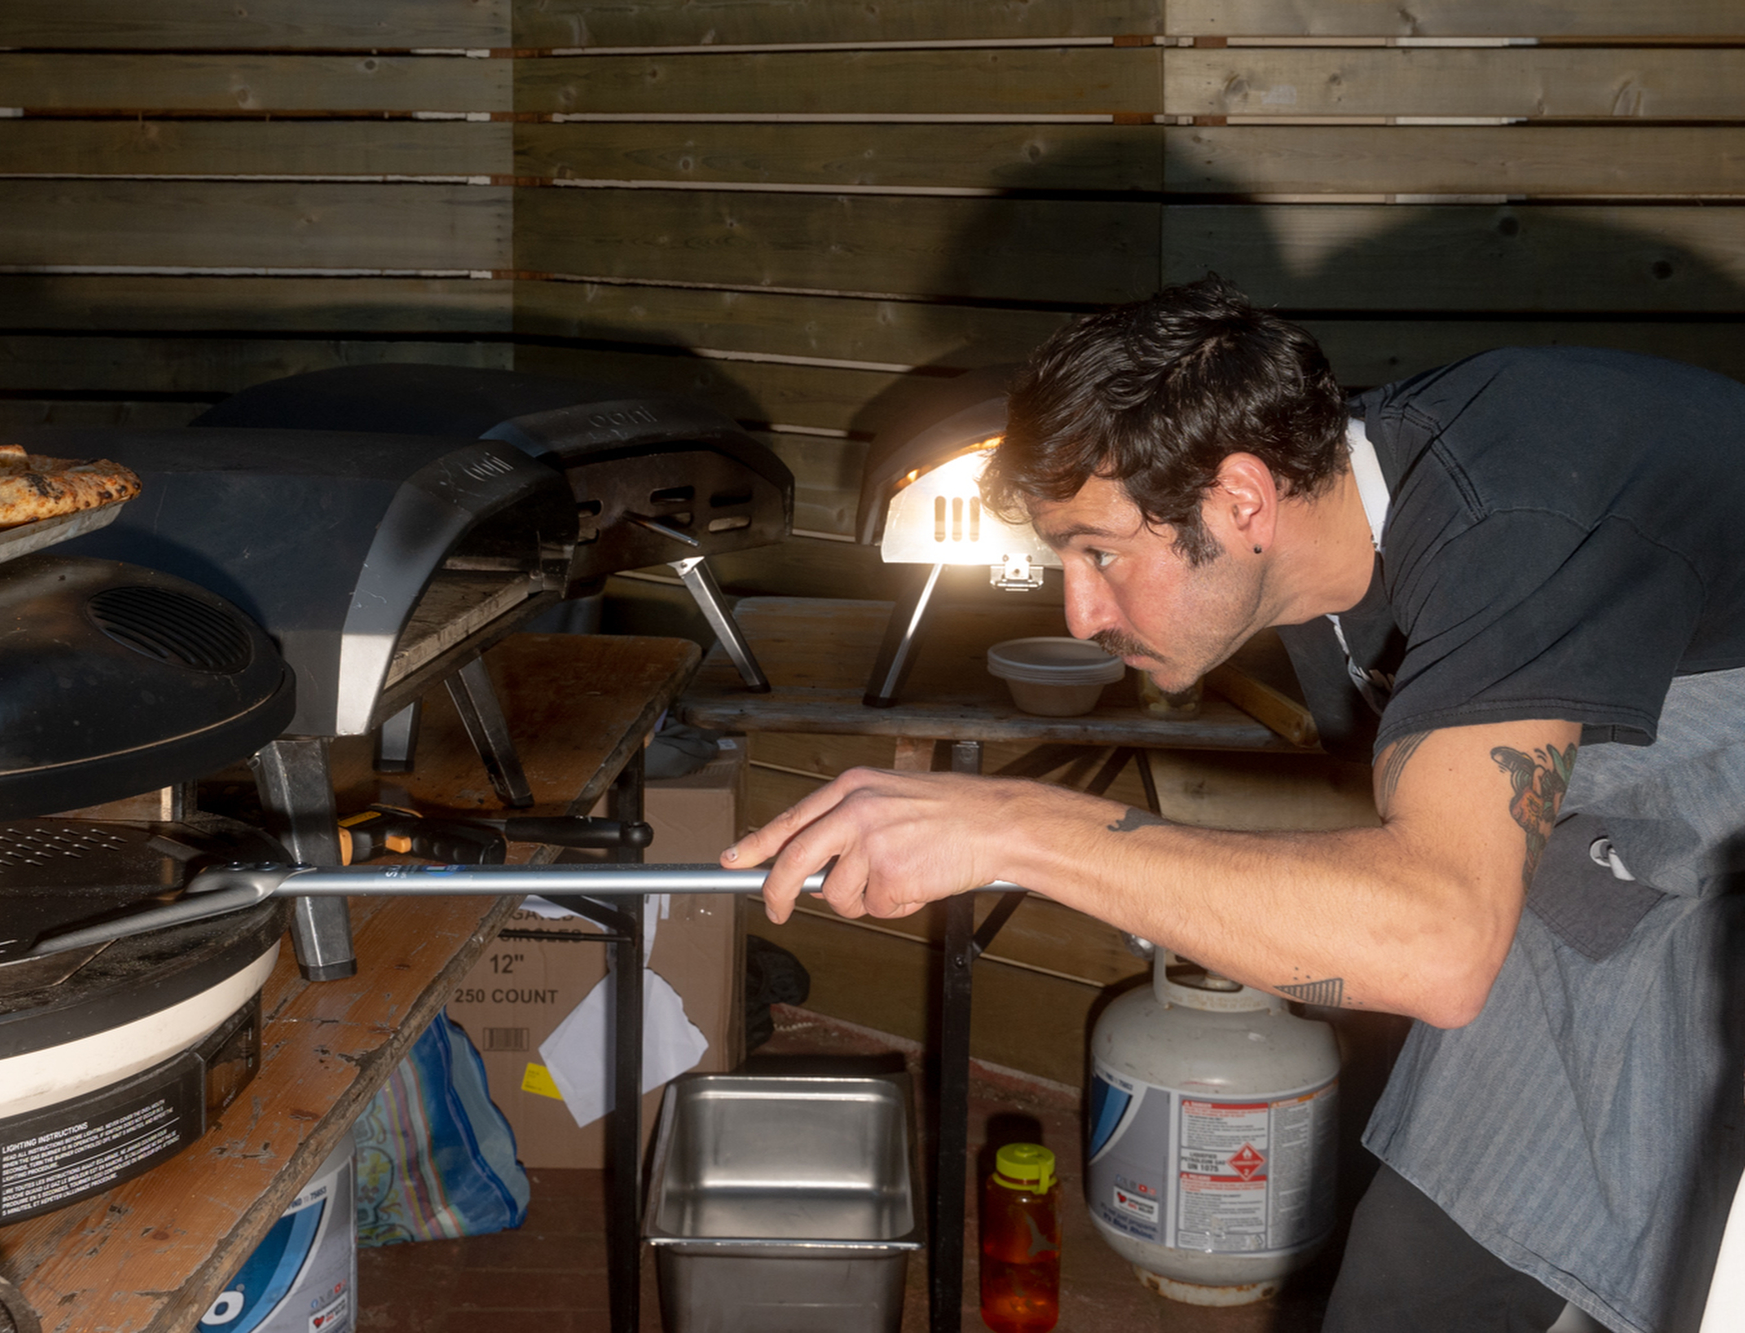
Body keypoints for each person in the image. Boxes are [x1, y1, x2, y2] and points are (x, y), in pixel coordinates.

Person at [722, 277, 1745, 1333]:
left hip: (1685, 879)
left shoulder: (1510, 510)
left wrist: (1013, 825)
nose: (1078, 612)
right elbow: (1417, 870)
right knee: (1409, 1293)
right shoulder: (1331, 577)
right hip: (1612, 881)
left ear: (1241, 501)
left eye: (1097, 551)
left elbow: (1435, 940)